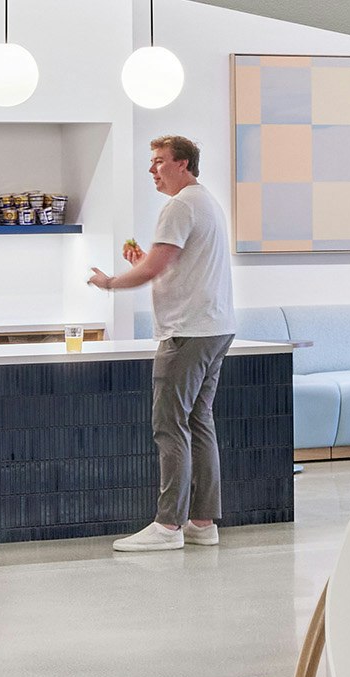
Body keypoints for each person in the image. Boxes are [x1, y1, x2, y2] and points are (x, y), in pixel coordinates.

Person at [87, 135, 235, 554]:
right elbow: (171, 265)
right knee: (199, 422)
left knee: (169, 426)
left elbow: (156, 266)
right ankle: (202, 523)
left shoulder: (180, 205)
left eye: (159, 162)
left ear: (183, 163)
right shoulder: (204, 202)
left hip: (187, 331)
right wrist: (146, 264)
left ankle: (168, 525)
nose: (153, 170)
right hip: (214, 326)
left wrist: (110, 282)